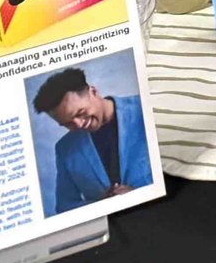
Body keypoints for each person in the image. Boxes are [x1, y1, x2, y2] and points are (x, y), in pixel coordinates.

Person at [31, 68, 152, 214]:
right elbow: (64, 207)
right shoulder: (64, 149)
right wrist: (102, 205)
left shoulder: (145, 107)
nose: (79, 125)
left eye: (80, 113)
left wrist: (141, 195)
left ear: (93, 92)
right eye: (67, 123)